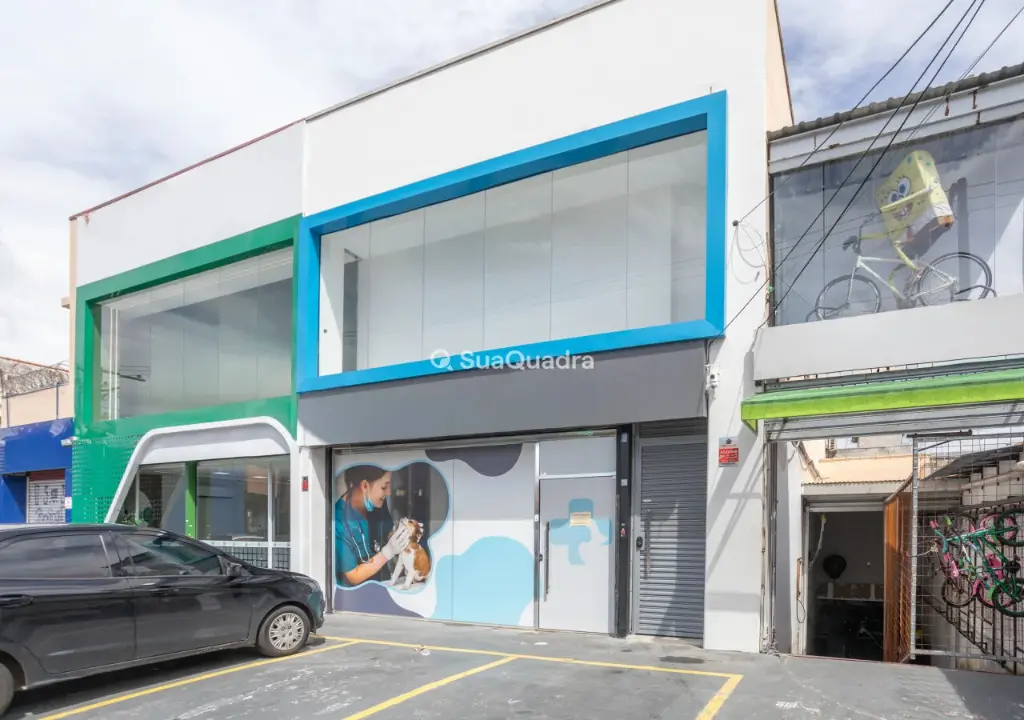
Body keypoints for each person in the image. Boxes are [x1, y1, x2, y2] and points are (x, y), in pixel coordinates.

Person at [335, 465, 411, 587]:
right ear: (365, 486)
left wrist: (401, 537)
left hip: (383, 585)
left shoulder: (377, 503)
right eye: (384, 487)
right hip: (357, 594)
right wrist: (387, 552)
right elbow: (353, 575)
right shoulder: (339, 522)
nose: (388, 492)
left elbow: (387, 532)